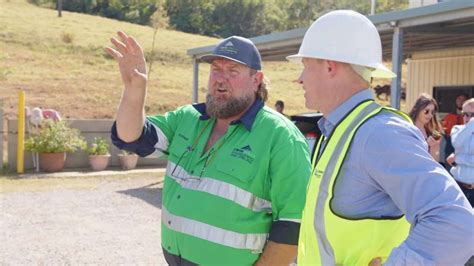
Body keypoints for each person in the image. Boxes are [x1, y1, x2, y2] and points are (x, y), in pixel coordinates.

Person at [286, 10, 474, 265]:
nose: (299, 79)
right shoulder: (341, 129)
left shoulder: (379, 133)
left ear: (330, 65)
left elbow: (457, 223)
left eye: (305, 66)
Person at [106, 32, 311, 265]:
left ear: (257, 79)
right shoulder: (189, 118)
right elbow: (131, 137)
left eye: (233, 71)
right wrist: (134, 90)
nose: (220, 79)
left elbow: (294, 225)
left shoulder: (281, 136)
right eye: (216, 70)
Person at [447, 98, 474, 207]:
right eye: (465, 114)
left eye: (472, 114)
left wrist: (457, 158)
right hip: (458, 186)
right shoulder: (457, 129)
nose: (467, 118)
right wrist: (471, 125)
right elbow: (456, 143)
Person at [409, 93, 443, 162]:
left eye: (432, 112)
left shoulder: (430, 132)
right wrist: (426, 145)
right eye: (426, 111)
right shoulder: (407, 129)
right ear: (417, 110)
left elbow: (434, 162)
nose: (430, 115)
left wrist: (434, 147)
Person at [443, 93, 469, 167]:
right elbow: (444, 131)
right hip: (449, 147)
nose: (461, 101)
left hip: (464, 149)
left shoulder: (469, 117)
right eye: (459, 99)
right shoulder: (449, 116)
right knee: (449, 170)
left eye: (463, 99)